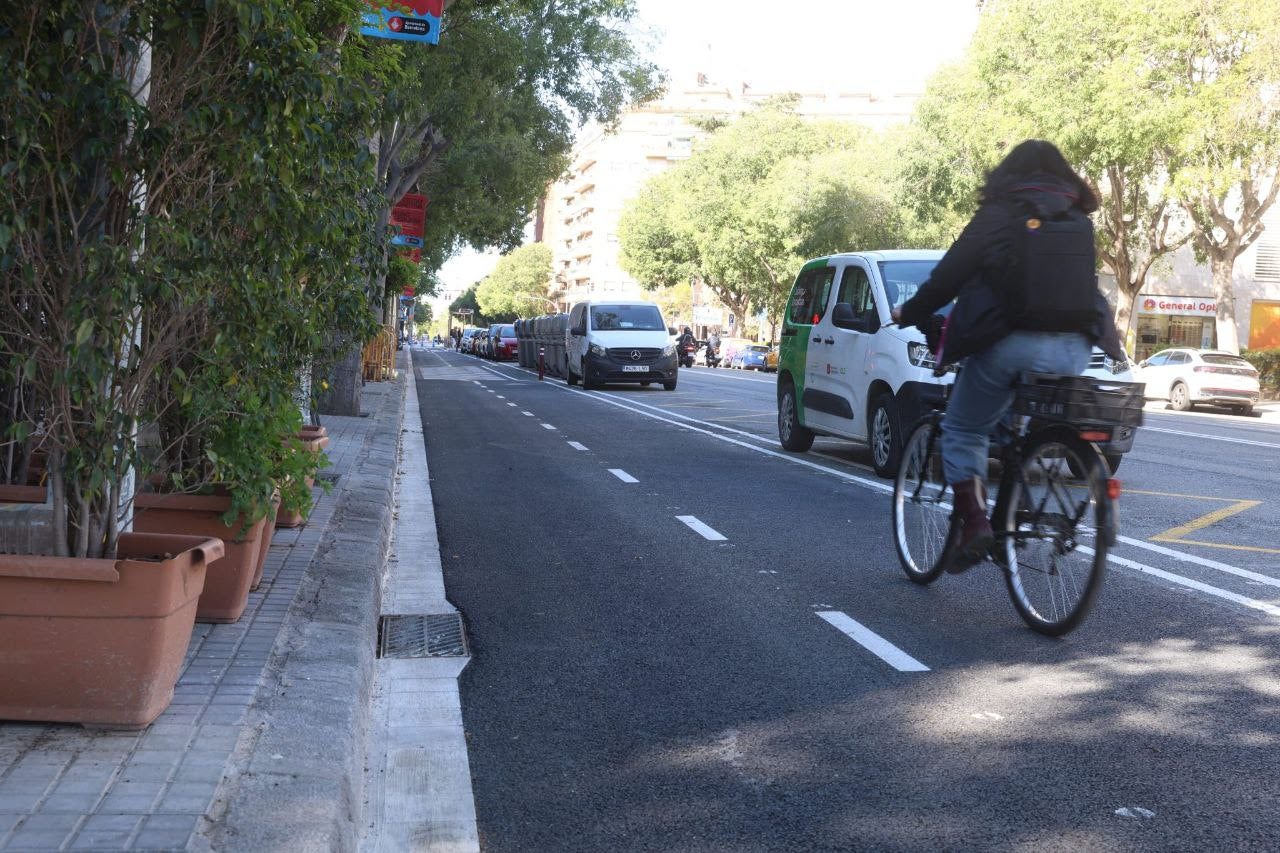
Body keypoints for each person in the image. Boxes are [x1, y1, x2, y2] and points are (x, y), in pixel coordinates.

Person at [892, 139, 1123, 573]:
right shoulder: (1078, 217)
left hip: (1012, 344)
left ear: (1008, 174)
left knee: (962, 428)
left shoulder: (1000, 212)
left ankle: (976, 523)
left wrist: (913, 310)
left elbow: (948, 278)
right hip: (1076, 348)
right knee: (1014, 420)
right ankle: (1018, 494)